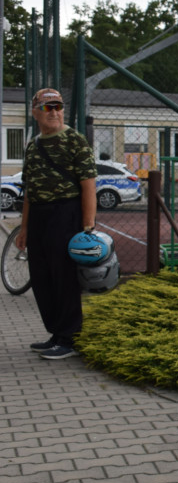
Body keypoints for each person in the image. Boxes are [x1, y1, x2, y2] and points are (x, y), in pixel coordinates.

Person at [16, 88, 98, 359]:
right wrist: (25, 228)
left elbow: (88, 185)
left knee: (63, 277)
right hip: (39, 215)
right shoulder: (33, 145)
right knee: (42, 277)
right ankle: (56, 333)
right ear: (35, 112)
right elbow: (30, 189)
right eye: (47, 107)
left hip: (66, 213)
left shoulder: (75, 140)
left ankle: (70, 338)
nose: (54, 112)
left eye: (58, 106)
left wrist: (87, 227)